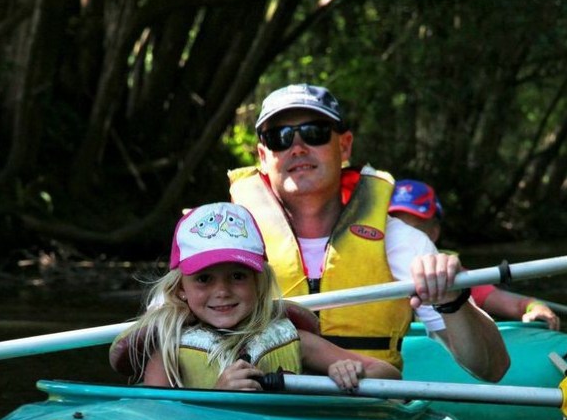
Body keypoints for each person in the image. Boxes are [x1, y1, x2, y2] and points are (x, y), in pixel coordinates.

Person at [228, 83, 510, 382]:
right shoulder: (227, 242)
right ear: (262, 155)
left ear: (345, 145)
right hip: (262, 412)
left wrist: (452, 299)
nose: (297, 148)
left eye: (315, 133)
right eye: (279, 138)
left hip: (367, 409)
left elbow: (492, 368)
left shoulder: (403, 242)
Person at [110, 202, 401, 390]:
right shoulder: (168, 352)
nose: (221, 291)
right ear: (181, 290)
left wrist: (351, 371)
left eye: (238, 276)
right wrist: (218, 397)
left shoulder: (293, 339)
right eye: (204, 279)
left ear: (258, 282)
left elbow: (388, 374)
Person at [390, 179, 561, 331]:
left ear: (434, 232)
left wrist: (536, 307)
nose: (402, 239)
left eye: (412, 230)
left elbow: (520, 304)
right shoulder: (366, 269)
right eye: (393, 229)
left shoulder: (452, 276)